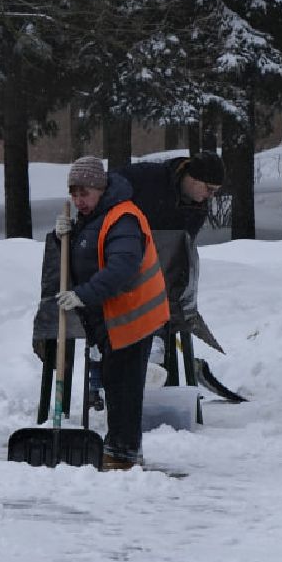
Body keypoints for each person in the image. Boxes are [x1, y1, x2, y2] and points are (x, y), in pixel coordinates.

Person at [54, 155, 171, 471]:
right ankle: (121, 448)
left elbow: (122, 268)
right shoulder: (95, 215)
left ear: (100, 189)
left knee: (124, 386)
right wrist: (63, 236)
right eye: (74, 193)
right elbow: (87, 251)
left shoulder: (123, 218)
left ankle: (124, 453)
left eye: (85, 193)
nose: (79, 200)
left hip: (134, 315)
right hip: (115, 317)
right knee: (114, 382)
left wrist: (82, 294)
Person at [111, 150, 227, 393]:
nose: (210, 197)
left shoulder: (198, 207)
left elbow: (182, 251)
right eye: (209, 189)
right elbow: (103, 188)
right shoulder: (148, 178)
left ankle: (157, 368)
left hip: (160, 280)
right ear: (193, 178)